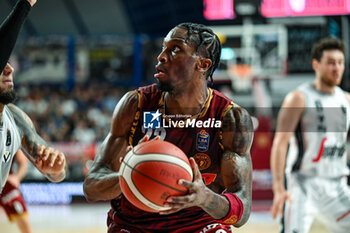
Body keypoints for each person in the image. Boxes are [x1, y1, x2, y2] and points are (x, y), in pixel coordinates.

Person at [84, 22, 253, 232]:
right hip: (134, 225)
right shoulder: (135, 105)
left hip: (199, 225)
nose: (161, 56)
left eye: (175, 49)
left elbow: (242, 211)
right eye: (164, 47)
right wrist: (130, 175)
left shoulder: (230, 118)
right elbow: (91, 187)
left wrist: (205, 198)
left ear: (202, 64)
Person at [270, 37, 350, 233]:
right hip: (303, 184)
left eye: (340, 62)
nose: (336, 68)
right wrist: (279, 188)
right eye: (331, 63)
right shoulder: (298, 98)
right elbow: (280, 143)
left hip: (337, 183)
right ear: (316, 64)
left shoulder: (346, 100)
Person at [0, 0, 67, 195]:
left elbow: (57, 173)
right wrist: (25, 4)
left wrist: (56, 168)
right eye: (3, 63)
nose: (9, 69)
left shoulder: (15, 118)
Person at [0, 150, 33, 233]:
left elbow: (23, 163)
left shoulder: (12, 139)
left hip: (6, 185)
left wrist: (17, 177)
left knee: (23, 221)